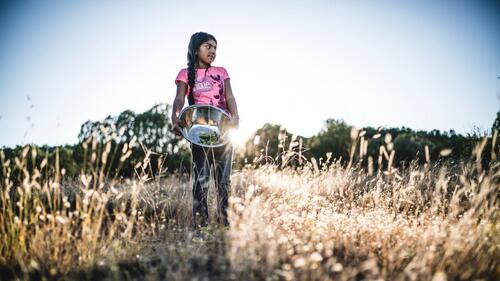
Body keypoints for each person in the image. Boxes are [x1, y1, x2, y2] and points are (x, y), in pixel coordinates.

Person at [171, 32, 239, 227]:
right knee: (201, 181)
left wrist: (236, 117)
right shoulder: (185, 74)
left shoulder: (221, 72)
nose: (213, 51)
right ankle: (201, 226)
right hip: (199, 135)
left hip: (223, 133)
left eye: (215, 48)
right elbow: (179, 99)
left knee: (224, 181)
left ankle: (224, 224)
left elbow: (230, 97)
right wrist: (175, 116)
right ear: (196, 49)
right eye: (208, 47)